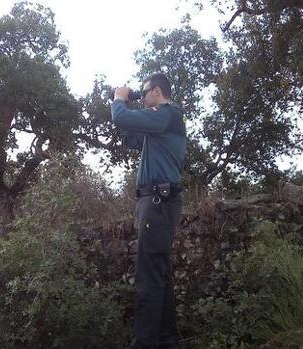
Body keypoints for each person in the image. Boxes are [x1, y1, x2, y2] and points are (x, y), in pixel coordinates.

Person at [112, 73, 187, 349]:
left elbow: (121, 118)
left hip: (157, 202)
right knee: (160, 275)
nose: (141, 98)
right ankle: (166, 342)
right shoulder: (159, 124)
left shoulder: (168, 113)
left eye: (144, 93)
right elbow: (131, 137)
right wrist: (126, 104)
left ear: (157, 91)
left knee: (148, 278)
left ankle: (144, 344)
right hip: (158, 202)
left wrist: (120, 100)